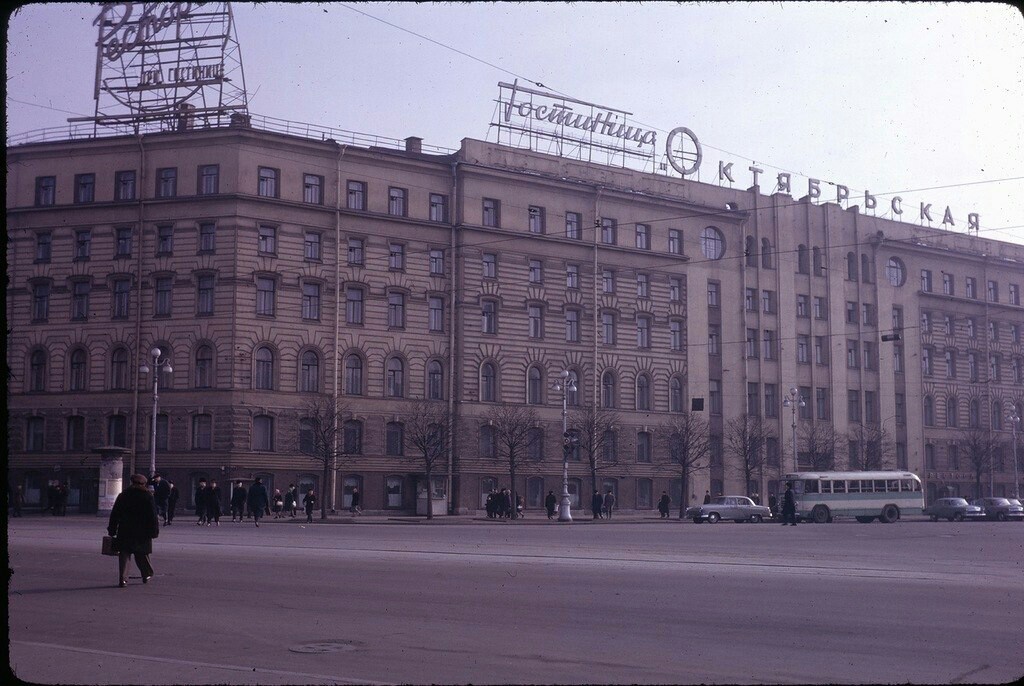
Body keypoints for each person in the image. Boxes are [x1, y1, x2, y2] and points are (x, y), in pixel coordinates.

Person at [107, 474, 160, 587]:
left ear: (132, 483)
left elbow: (115, 514)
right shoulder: (147, 496)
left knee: (124, 554)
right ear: (143, 484)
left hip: (125, 529)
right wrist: (154, 531)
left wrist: (112, 530)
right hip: (142, 531)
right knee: (142, 554)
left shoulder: (123, 495)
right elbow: (153, 516)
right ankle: (146, 575)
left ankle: (123, 579)